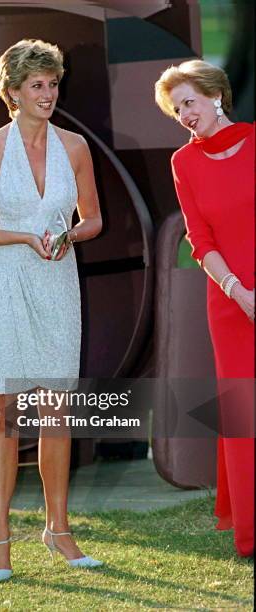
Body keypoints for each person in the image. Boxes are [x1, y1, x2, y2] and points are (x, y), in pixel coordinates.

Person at [0, 39, 103, 581]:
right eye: (36, 85)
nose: (47, 93)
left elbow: (93, 219)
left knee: (57, 412)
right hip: (7, 283)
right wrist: (22, 237)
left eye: (53, 83)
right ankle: (0, 538)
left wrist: (69, 235)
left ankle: (58, 530)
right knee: (7, 412)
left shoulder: (77, 147)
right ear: (12, 92)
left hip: (59, 282)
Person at [155, 60, 254, 557]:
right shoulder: (184, 164)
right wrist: (239, 293)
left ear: (215, 95)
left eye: (188, 102)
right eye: (177, 110)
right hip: (230, 301)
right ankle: (252, 532)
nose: (184, 115)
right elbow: (200, 238)